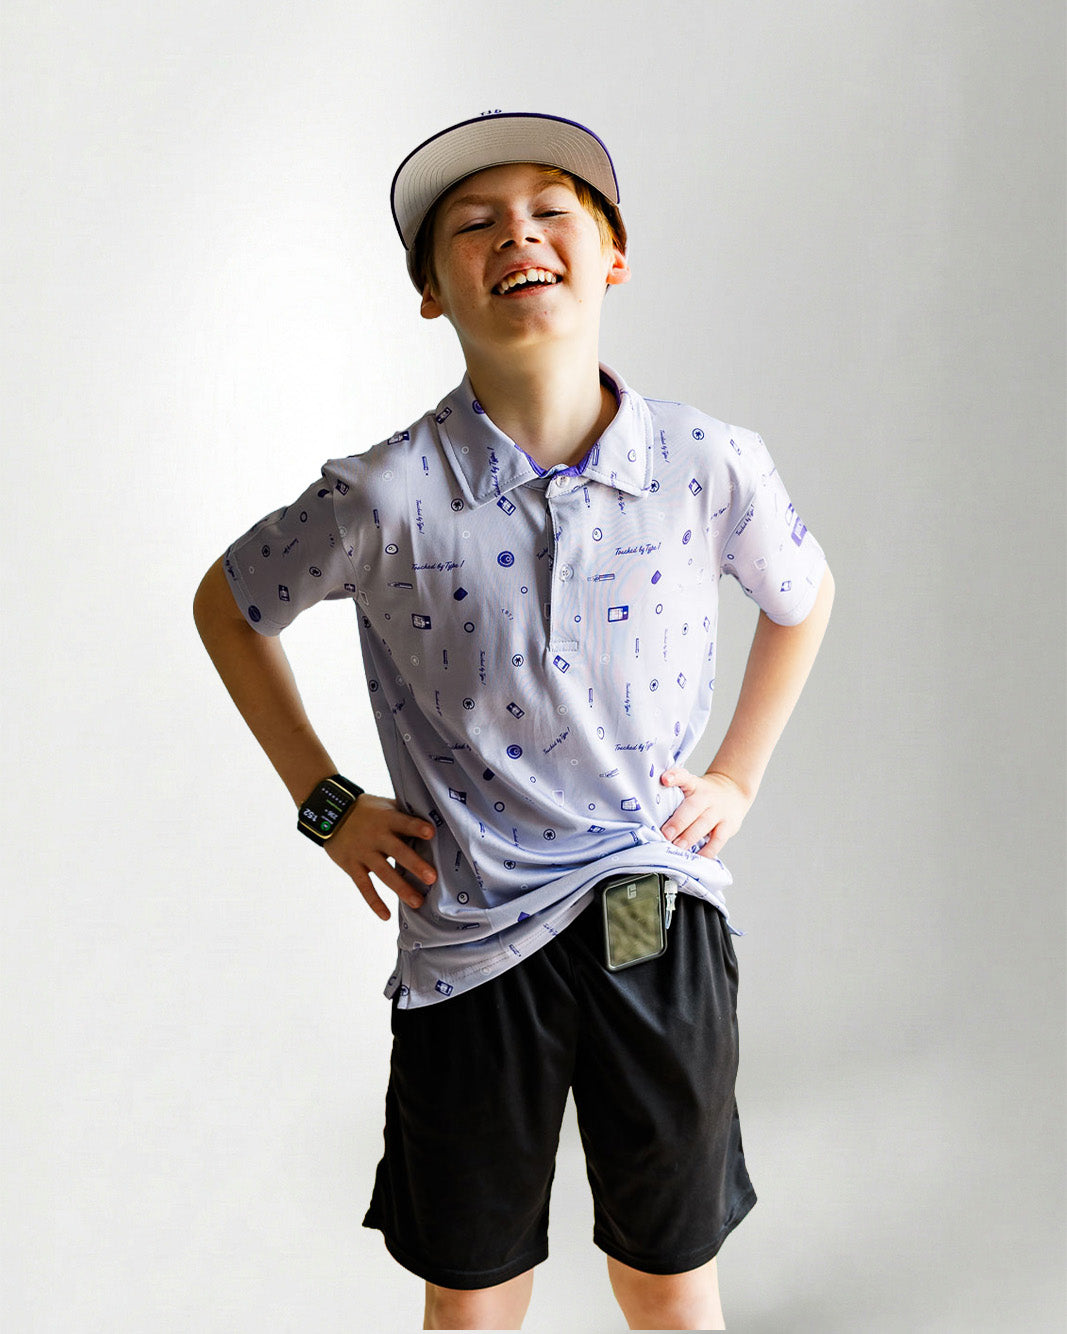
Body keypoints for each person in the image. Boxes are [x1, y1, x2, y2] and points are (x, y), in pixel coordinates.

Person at [193, 110, 834, 1331]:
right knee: (477, 1286)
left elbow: (803, 597)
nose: (515, 236)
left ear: (612, 255)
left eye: (550, 210)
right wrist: (324, 802)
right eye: (472, 225)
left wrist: (736, 778)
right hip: (471, 941)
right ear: (431, 291)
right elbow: (229, 606)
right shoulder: (385, 493)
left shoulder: (706, 462)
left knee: (666, 1269)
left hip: (646, 901)